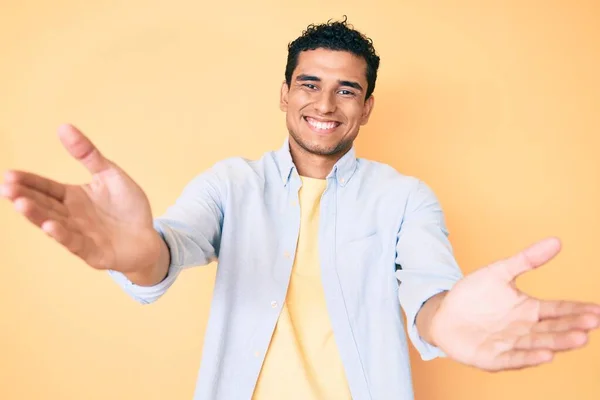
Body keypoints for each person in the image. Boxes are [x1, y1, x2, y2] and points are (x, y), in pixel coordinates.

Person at [2, 17, 599, 400]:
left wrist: (443, 322)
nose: (326, 103)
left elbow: (429, 290)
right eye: (310, 83)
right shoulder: (231, 183)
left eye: (348, 90)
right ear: (285, 93)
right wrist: (138, 256)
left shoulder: (404, 197)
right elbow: (170, 245)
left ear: (366, 108)